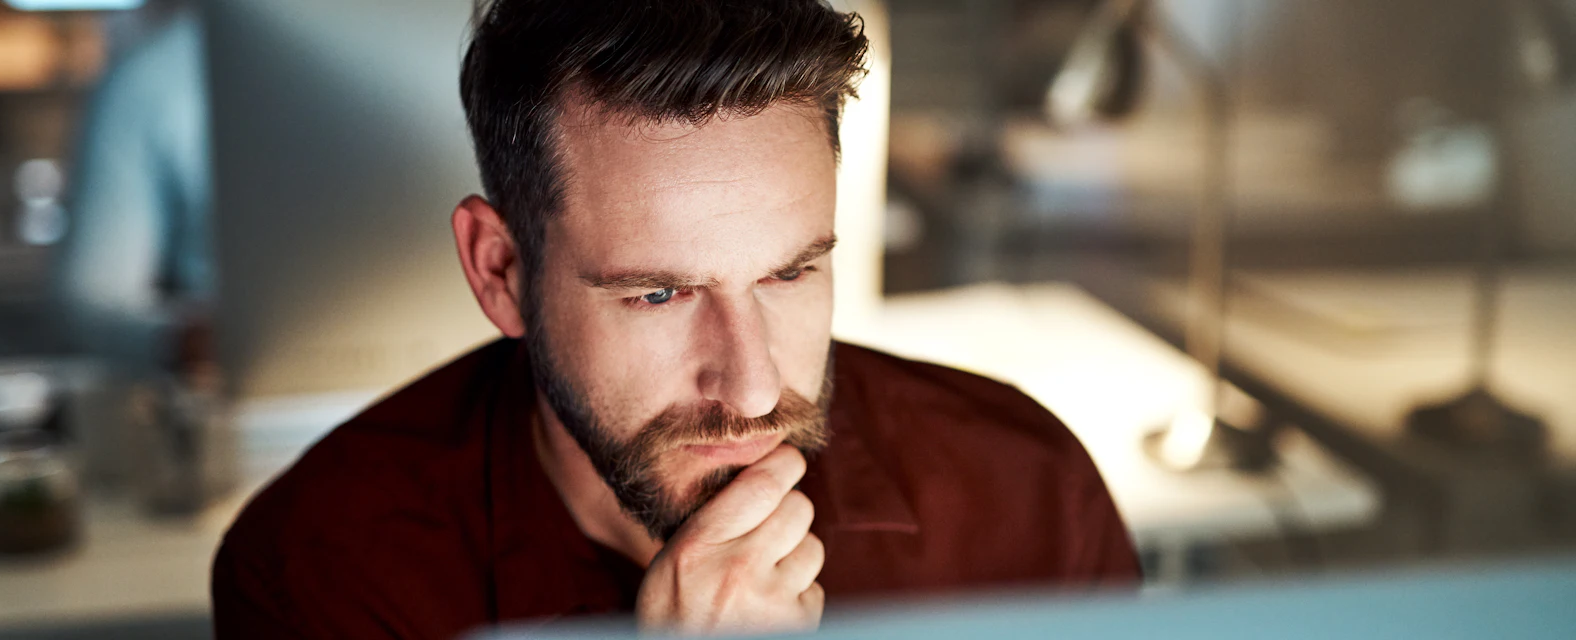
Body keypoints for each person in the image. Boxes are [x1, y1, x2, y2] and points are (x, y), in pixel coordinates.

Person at [211, 1, 1140, 637]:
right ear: (500, 272)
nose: (751, 385)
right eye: (658, 294)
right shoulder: (323, 571)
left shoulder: (1025, 497)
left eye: (788, 274)